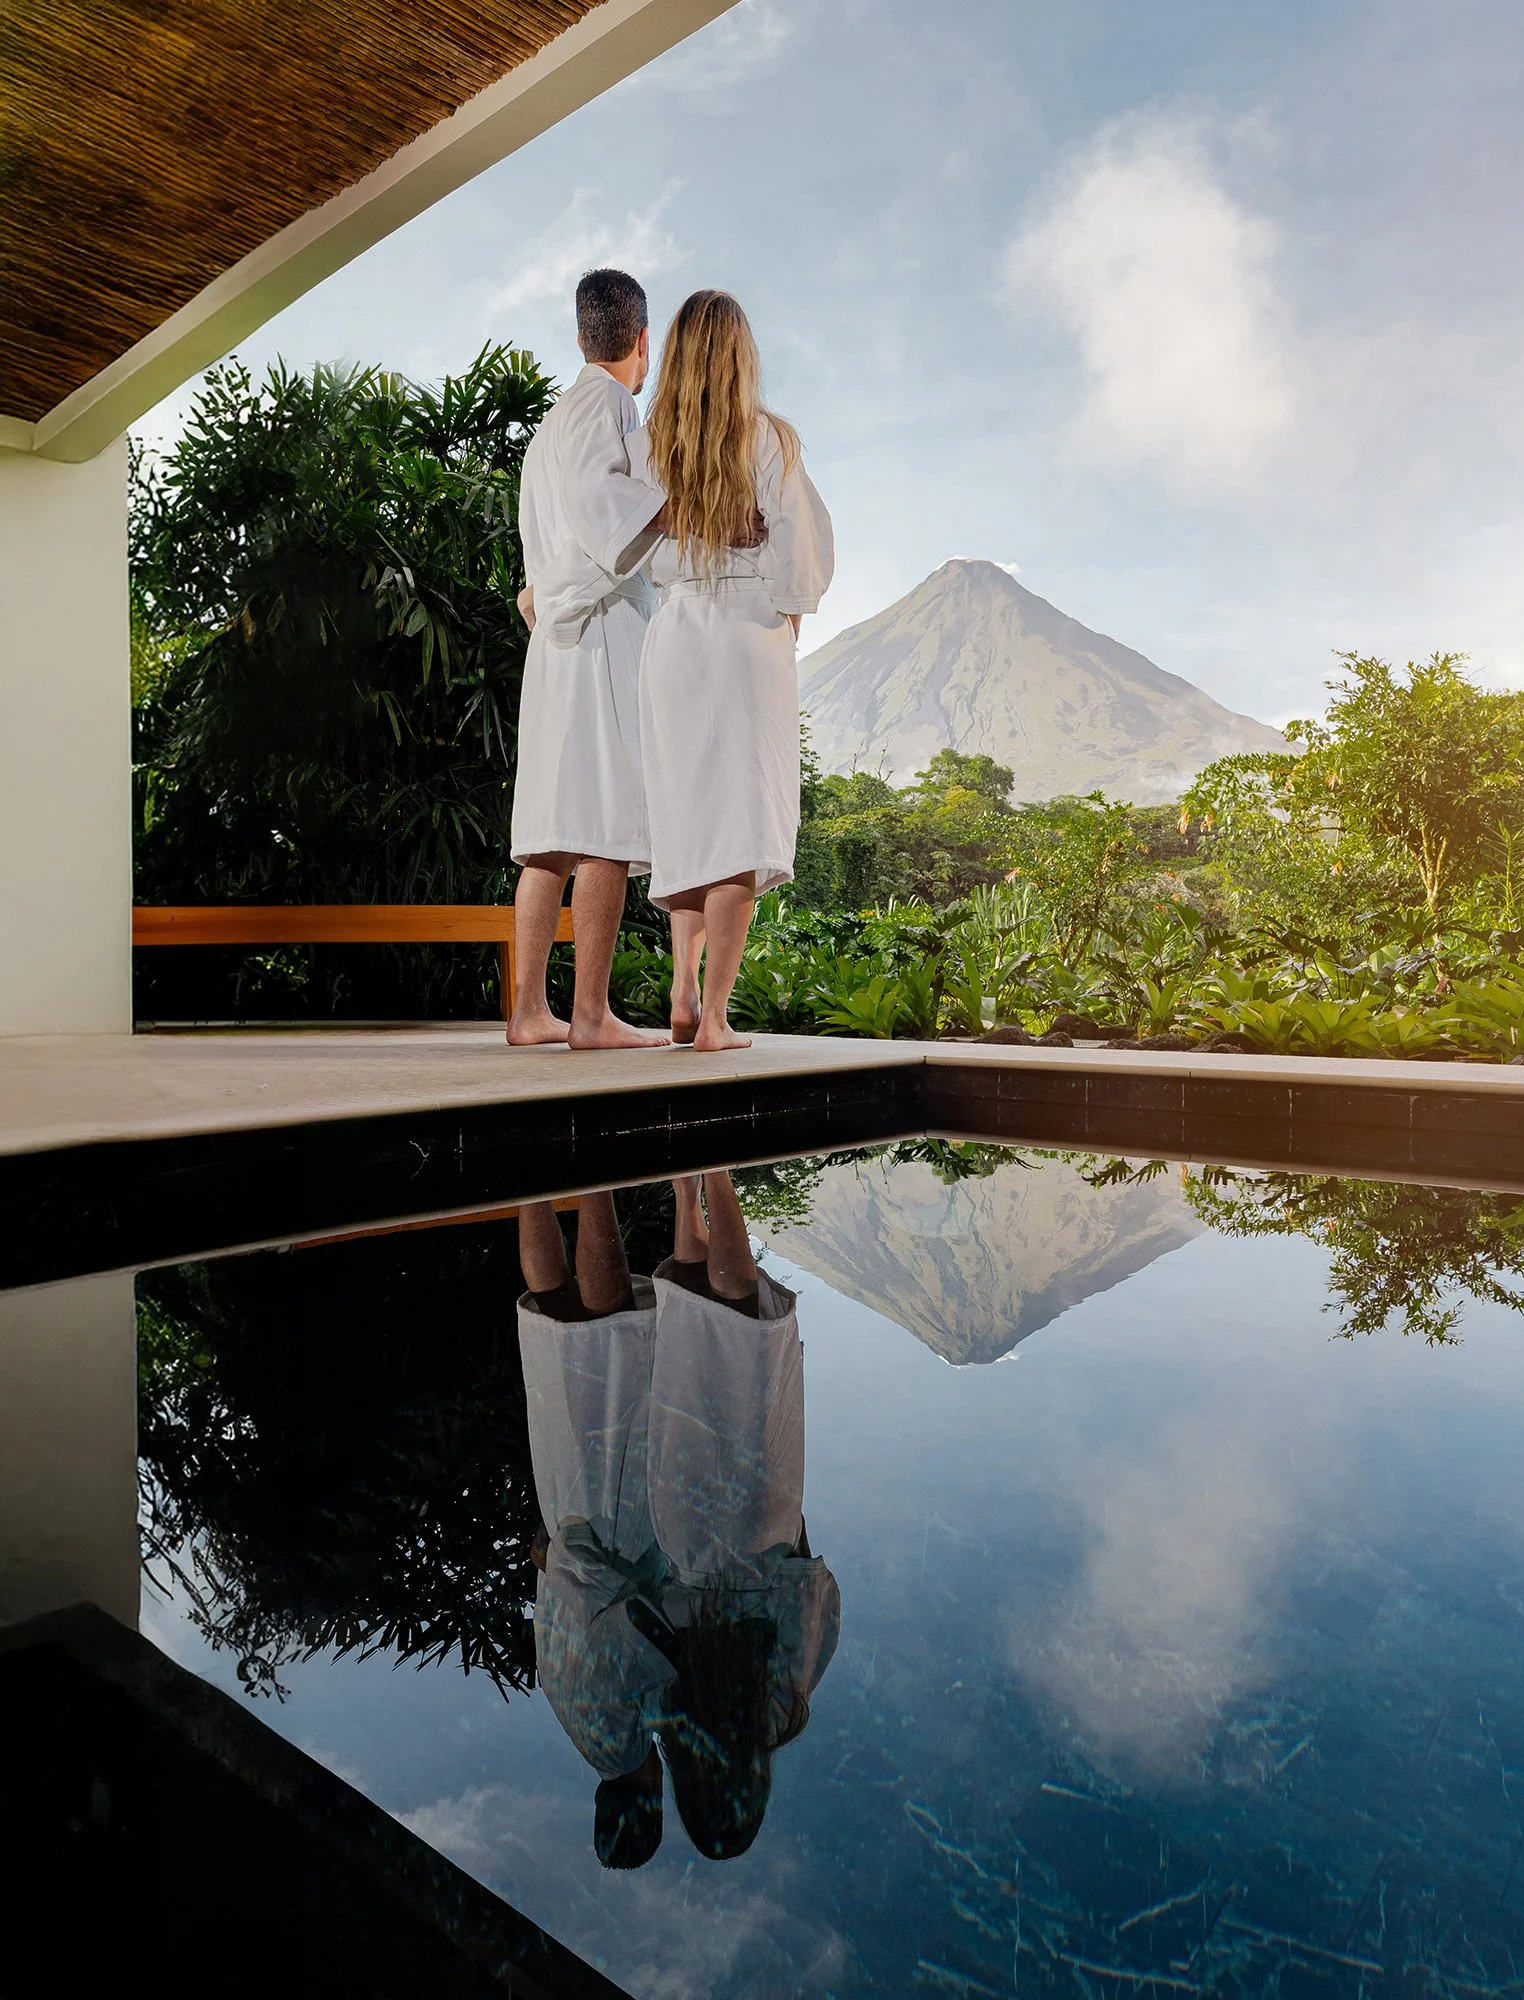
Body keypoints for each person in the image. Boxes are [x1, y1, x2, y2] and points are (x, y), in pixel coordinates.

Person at [630, 291, 835, 1052]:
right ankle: (714, 1017)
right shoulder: (770, 439)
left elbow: (624, 543)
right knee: (741, 829)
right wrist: (789, 613)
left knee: (689, 818)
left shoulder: (649, 444)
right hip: (748, 635)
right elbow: (800, 555)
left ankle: (681, 991)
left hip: (675, 635)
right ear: (744, 355)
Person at [634, 1172, 840, 1858]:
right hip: (684, 1525)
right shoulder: (665, 1713)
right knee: (695, 1344)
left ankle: (716, 1173)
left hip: (759, 1524)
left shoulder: (782, 1711)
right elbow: (640, 1604)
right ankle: (683, 1190)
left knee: (746, 1332)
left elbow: (811, 1591)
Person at [506, 267, 672, 1050]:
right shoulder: (610, 404)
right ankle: (591, 1015)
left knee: (552, 829)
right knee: (606, 820)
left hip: (554, 644)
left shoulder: (550, 425)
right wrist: (681, 502)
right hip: (599, 632)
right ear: (643, 340)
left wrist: (540, 593)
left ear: (580, 337)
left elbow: (552, 540)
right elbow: (607, 523)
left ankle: (528, 1011)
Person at [516, 1190, 670, 1868]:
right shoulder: (575, 1725)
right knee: (554, 1328)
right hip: (564, 1521)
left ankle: (594, 1181)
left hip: (610, 1530)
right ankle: (531, 1183)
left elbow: (624, 1625)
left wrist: (691, 1645)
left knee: (610, 1344)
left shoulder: (623, 1735)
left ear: (652, 1799)